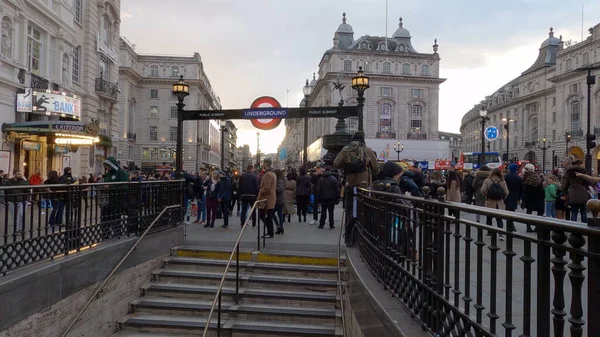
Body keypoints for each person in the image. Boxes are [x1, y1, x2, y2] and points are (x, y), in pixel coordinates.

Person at [333, 131, 379, 240]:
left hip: (350, 184)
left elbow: (336, 163)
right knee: (364, 210)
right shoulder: (368, 150)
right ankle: (363, 234)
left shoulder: (346, 149)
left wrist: (347, 165)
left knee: (350, 209)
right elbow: (376, 169)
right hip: (364, 186)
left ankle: (349, 234)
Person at [101, 157, 129, 238]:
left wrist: (110, 186)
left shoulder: (121, 173)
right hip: (108, 200)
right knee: (105, 217)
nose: (107, 168)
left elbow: (124, 186)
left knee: (115, 218)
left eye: (108, 166)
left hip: (118, 200)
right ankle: (106, 233)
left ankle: (117, 233)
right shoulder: (108, 174)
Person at [480, 168, 509, 240]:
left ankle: (489, 232)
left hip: (490, 201)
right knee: (499, 219)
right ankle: (501, 234)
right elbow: (507, 192)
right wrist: (502, 198)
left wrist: (486, 195)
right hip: (499, 202)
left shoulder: (488, 180)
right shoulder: (502, 181)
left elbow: (483, 190)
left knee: (489, 218)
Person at [257, 159, 277, 238]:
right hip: (269, 198)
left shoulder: (268, 174)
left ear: (266, 164)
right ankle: (270, 231)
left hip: (265, 198)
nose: (262, 165)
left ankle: (270, 231)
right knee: (266, 215)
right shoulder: (272, 173)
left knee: (264, 215)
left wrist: (261, 191)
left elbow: (266, 187)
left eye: (263, 163)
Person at [503, 163, 523, 232]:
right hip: (515, 196)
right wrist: (520, 198)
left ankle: (510, 226)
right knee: (512, 211)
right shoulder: (519, 178)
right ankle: (511, 225)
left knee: (507, 211)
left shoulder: (505, 177)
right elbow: (521, 189)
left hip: (507, 196)